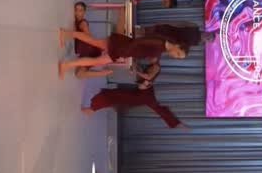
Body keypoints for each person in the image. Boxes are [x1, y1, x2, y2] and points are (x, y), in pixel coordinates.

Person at [57, 28, 187, 78]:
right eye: (178, 54)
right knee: (95, 55)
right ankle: (66, 63)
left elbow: (143, 50)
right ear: (177, 46)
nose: (175, 56)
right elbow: (138, 42)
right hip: (121, 47)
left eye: (178, 57)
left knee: (94, 45)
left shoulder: (162, 47)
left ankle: (66, 35)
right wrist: (123, 52)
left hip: (122, 47)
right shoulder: (160, 44)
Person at [81, 84, 186, 129]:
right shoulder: (150, 91)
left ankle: (90, 110)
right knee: (108, 97)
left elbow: (163, 112)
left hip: (128, 99)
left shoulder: (151, 99)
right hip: (127, 95)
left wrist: (176, 123)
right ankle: (90, 109)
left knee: (108, 98)